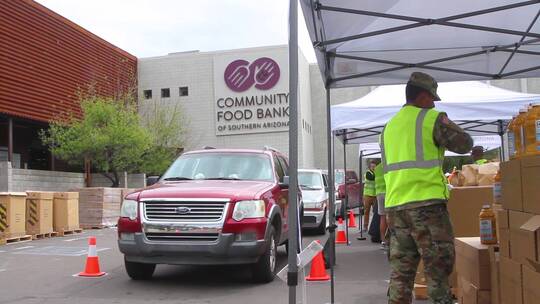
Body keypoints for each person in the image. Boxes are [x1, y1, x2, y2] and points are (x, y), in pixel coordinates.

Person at [381, 72, 473, 304]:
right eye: (432, 98)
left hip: (396, 209)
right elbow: (465, 144)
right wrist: (443, 119)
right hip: (427, 207)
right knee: (437, 273)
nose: (433, 103)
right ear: (422, 97)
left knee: (401, 276)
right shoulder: (430, 118)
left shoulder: (388, 127)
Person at [374, 162, 388, 250]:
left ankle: (383, 241)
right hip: (388, 193)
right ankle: (390, 241)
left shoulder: (377, 168)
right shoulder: (389, 163)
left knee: (382, 218)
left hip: (379, 194)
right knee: (391, 217)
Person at [362, 160, 377, 233]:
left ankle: (373, 227)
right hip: (367, 195)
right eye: (372, 166)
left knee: (375, 212)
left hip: (375, 195)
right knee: (366, 212)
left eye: (374, 166)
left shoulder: (376, 173)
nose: (373, 168)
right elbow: (372, 178)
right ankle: (365, 227)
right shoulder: (368, 173)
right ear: (370, 167)